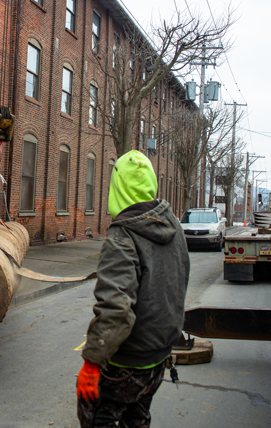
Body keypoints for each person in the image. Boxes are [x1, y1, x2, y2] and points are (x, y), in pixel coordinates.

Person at [77, 150, 190, 428]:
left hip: (125, 364)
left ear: (117, 187)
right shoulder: (173, 225)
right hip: (157, 360)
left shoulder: (123, 236)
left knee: (97, 420)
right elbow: (179, 283)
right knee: (136, 420)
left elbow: (116, 310)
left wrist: (91, 364)